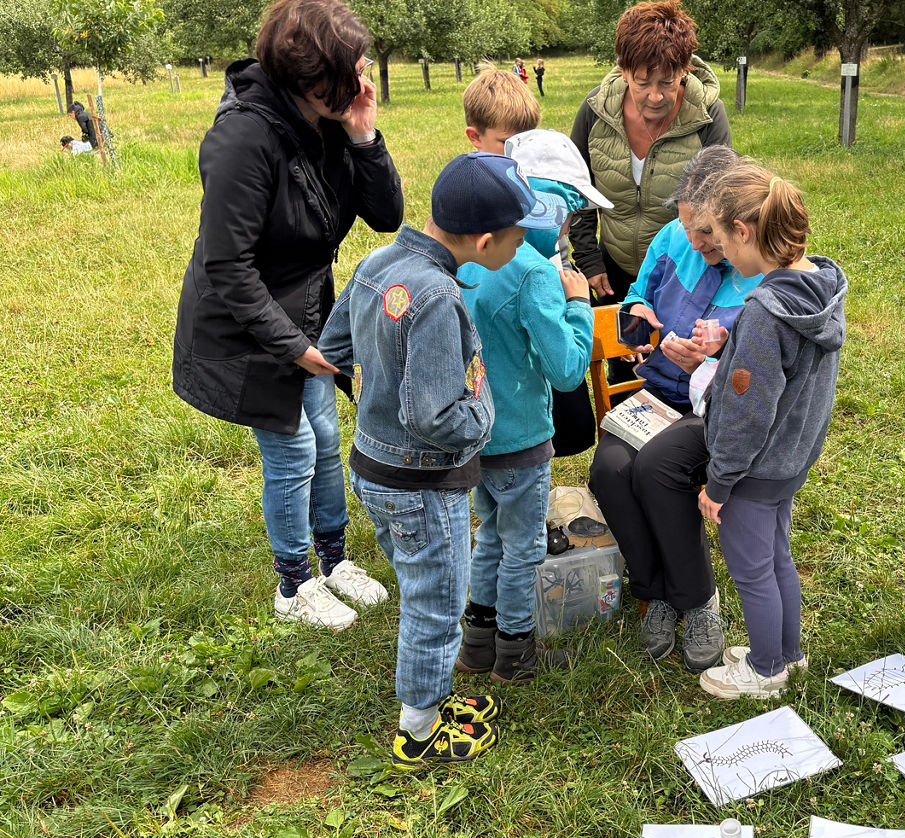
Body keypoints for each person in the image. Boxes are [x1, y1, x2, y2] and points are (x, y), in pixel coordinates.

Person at [317, 152, 567, 767]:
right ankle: (420, 727)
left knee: (428, 586)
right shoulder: (436, 297)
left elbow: (333, 346)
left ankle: (431, 699)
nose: (521, 246)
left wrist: (380, 388)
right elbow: (435, 417)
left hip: (375, 465)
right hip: (423, 483)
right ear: (485, 241)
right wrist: (482, 415)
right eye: (516, 237)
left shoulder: (380, 263)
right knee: (436, 602)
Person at [173, 0, 404, 630]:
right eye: (351, 70)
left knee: (327, 443)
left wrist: (364, 134)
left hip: (306, 308)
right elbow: (228, 268)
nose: (363, 79)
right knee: (294, 450)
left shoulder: (329, 121)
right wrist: (293, 347)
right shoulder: (242, 137)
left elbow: (385, 214)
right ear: (311, 77)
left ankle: (333, 562)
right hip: (245, 324)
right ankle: (292, 585)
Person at [588, 145, 761, 672]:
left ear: (738, 227)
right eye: (687, 227)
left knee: (656, 467)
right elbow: (636, 297)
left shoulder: (761, 268)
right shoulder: (672, 240)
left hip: (717, 408)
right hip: (659, 394)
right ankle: (655, 589)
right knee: (610, 469)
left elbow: (766, 371)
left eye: (707, 233)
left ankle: (697, 599)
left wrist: (711, 361)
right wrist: (637, 315)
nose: (694, 241)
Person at [454, 129, 607, 683]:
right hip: (520, 440)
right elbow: (567, 370)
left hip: (474, 433)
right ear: (548, 210)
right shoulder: (537, 273)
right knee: (522, 548)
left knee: (489, 534)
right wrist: (578, 305)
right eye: (567, 218)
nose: (568, 232)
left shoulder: (471, 257)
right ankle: (515, 650)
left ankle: (476, 641)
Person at [695, 164, 847, 700]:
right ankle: (789, 653)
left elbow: (746, 410)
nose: (720, 253)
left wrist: (719, 483)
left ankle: (764, 670)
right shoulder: (820, 287)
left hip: (755, 468)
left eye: (719, 238)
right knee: (777, 556)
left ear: (743, 231)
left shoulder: (764, 312)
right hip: (792, 458)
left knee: (751, 569)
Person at [463, 66, 598, 457]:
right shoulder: (469, 197)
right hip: (500, 333)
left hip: (545, 306)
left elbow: (558, 241)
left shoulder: (535, 186)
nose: (516, 157)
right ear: (475, 138)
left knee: (569, 427)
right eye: (504, 143)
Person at [569, 0, 732, 306]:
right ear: (623, 70)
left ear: (685, 70)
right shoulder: (595, 111)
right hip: (611, 269)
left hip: (684, 273)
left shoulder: (708, 116)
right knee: (621, 350)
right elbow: (576, 191)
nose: (655, 96)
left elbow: (722, 203)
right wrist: (589, 260)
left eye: (667, 82)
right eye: (642, 82)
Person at [463, 66, 540, 154]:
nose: (522, 151)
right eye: (507, 143)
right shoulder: (465, 167)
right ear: (475, 137)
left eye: (528, 140)